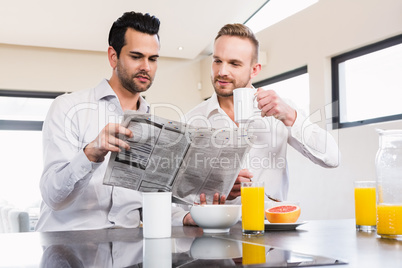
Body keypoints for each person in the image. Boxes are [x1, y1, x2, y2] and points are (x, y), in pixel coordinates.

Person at [36, 11, 192, 232]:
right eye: (136, 56)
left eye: (153, 59)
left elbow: (151, 204)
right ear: (113, 56)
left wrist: (185, 216)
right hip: (69, 247)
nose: (146, 67)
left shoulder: (156, 126)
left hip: (129, 249)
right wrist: (90, 154)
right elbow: (53, 197)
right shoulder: (68, 107)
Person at [185, 24, 340, 203]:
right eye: (217, 61)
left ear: (255, 70)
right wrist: (217, 188)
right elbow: (180, 193)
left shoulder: (281, 109)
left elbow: (332, 158)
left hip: (272, 225)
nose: (222, 72)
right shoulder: (192, 120)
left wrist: (290, 117)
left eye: (234, 63)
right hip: (216, 227)